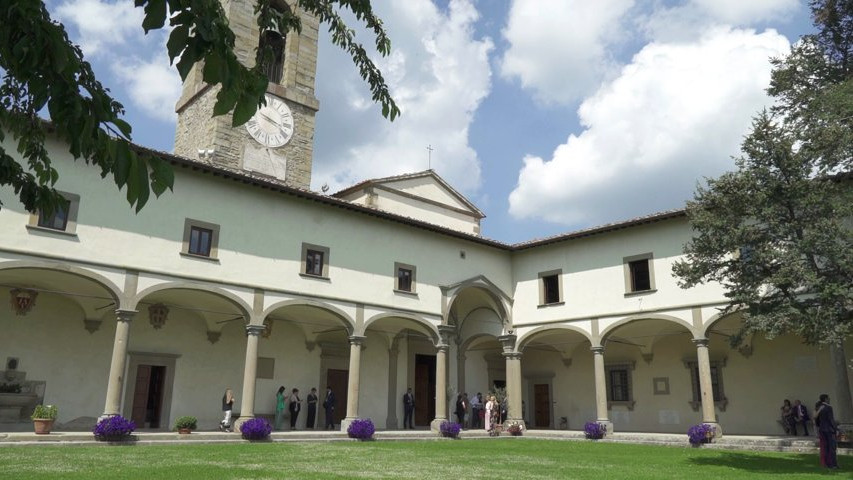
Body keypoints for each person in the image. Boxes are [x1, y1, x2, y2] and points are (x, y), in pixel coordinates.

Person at [816, 394, 839, 469]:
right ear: (826, 399)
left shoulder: (820, 407)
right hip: (829, 429)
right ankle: (833, 464)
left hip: (822, 429)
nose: (829, 399)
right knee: (832, 447)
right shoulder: (829, 407)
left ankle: (826, 463)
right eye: (828, 398)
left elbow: (818, 418)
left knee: (825, 447)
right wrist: (836, 429)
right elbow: (831, 419)